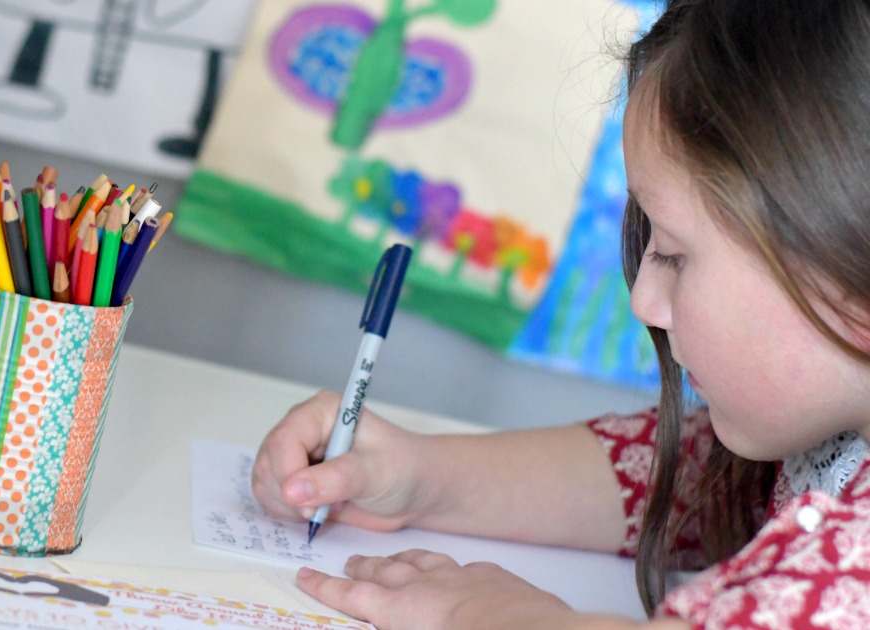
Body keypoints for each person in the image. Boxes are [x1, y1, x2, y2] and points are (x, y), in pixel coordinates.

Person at [250, 1, 870, 627]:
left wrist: (493, 617)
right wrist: (425, 476)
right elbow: (696, 483)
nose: (643, 302)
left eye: (676, 256)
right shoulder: (828, 421)